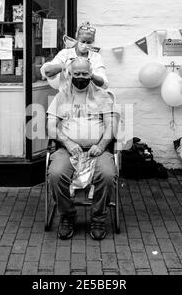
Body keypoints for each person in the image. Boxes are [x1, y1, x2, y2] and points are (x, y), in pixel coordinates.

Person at [47, 57, 118, 240]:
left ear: (91, 74)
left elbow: (111, 126)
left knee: (108, 175)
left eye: (85, 73)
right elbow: (50, 127)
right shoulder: (61, 96)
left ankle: (98, 218)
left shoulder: (103, 95)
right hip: (67, 149)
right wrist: (69, 143)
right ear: (70, 74)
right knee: (55, 174)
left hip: (98, 149)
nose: (81, 77)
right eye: (76, 73)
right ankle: (67, 216)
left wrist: (102, 145)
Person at [41, 21, 109, 89]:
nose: (85, 45)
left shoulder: (96, 57)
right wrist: (65, 66)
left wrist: (90, 74)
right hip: (67, 97)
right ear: (77, 39)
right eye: (82, 41)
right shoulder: (65, 54)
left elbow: (104, 84)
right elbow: (47, 72)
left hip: (90, 97)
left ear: (93, 42)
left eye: (89, 42)